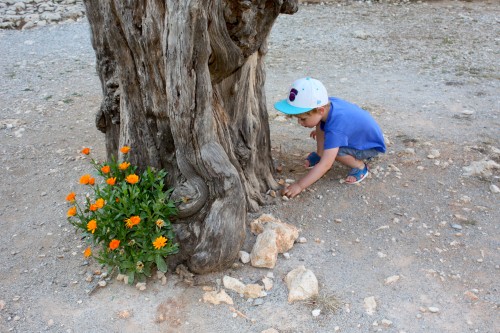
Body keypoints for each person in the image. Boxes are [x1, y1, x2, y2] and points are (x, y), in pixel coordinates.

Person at [274, 77, 386, 198]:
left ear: (320, 110)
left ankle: (360, 167)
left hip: (369, 147)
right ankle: (320, 154)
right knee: (322, 127)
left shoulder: (335, 129)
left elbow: (326, 164)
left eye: (303, 119)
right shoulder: (327, 106)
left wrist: (300, 185)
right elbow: (332, 125)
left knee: (334, 152)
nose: (300, 123)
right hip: (358, 137)